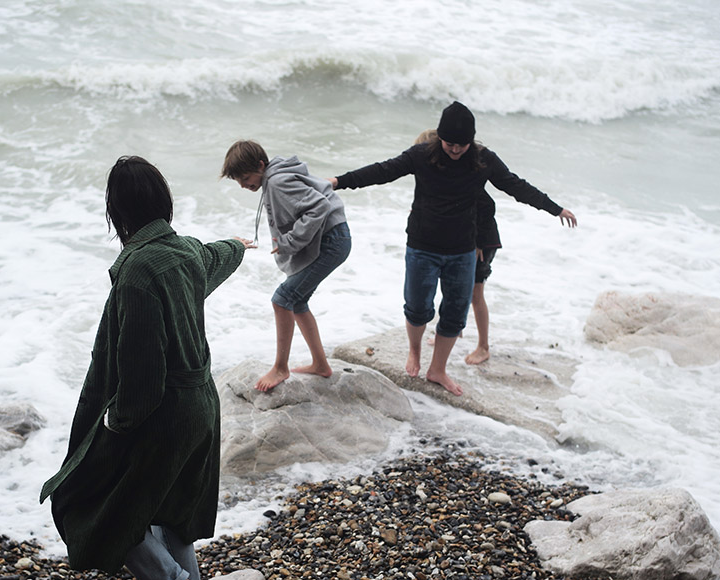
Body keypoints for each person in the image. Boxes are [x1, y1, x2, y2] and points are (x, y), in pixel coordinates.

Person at [40, 156, 253, 580]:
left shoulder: (138, 271)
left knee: (87, 496)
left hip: (163, 413)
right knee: (172, 514)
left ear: (117, 211)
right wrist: (239, 245)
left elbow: (141, 370)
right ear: (163, 202)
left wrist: (117, 421)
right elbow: (218, 255)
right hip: (202, 404)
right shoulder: (187, 253)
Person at [330, 102, 576, 395]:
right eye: (450, 144)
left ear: (471, 140)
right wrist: (338, 181)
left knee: (455, 314)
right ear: (440, 138)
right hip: (423, 245)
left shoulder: (483, 160)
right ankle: (415, 351)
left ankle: (437, 370)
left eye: (462, 144)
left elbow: (515, 186)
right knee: (418, 308)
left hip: (462, 250)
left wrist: (554, 208)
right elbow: (383, 171)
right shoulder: (422, 155)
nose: (456, 150)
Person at [220, 140, 352, 392]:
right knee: (297, 301)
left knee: (282, 299)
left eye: (245, 178)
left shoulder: (278, 182)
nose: (243, 185)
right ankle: (321, 364)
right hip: (335, 236)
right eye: (238, 181)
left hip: (333, 239)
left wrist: (290, 241)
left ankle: (281, 367)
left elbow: (319, 207)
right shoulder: (274, 178)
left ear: (260, 165)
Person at [415, 128, 499, 365]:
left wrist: (478, 243)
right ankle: (456, 329)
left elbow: (487, 207)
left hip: (481, 241)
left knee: (474, 292)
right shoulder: (447, 178)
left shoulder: (465, 181)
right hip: (464, 240)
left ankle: (483, 346)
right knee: (454, 287)